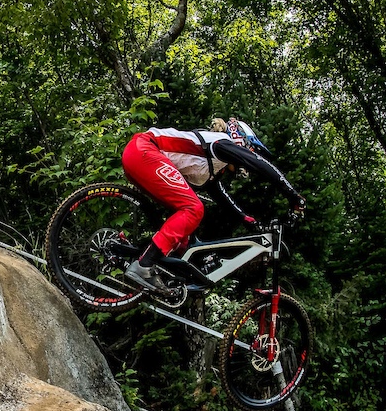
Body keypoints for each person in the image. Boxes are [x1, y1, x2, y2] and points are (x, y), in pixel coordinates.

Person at [121, 117, 306, 292]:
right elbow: (259, 165)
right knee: (193, 209)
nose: (249, 157)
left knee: (183, 237)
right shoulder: (221, 143)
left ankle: (146, 265)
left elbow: (224, 199)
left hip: (140, 155)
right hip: (144, 150)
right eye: (251, 149)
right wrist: (294, 197)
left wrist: (250, 222)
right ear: (241, 140)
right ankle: (145, 264)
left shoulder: (213, 166)